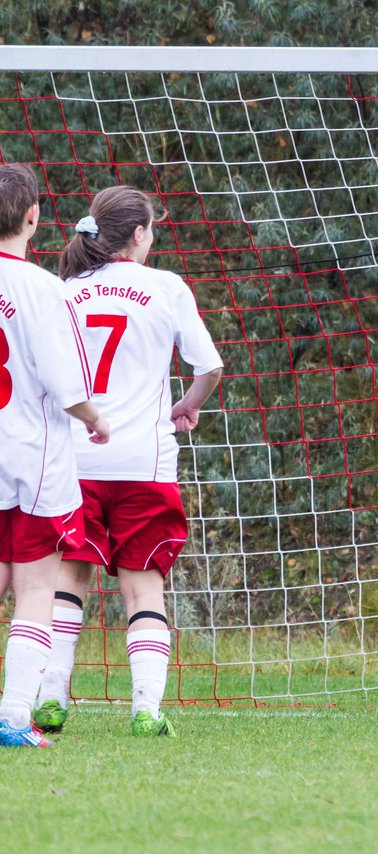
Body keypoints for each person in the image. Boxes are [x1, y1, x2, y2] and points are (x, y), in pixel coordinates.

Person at [31, 186, 223, 737]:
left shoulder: (64, 292)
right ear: (139, 235)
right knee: (143, 589)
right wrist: (188, 405)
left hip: (74, 461)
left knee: (69, 579)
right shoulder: (165, 287)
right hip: (145, 463)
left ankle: (50, 696)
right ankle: (145, 710)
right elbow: (208, 367)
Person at [0, 164, 110, 748]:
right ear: (34, 218)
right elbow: (67, 385)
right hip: (29, 458)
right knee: (36, 587)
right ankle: (15, 718)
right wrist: (95, 421)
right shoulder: (43, 288)